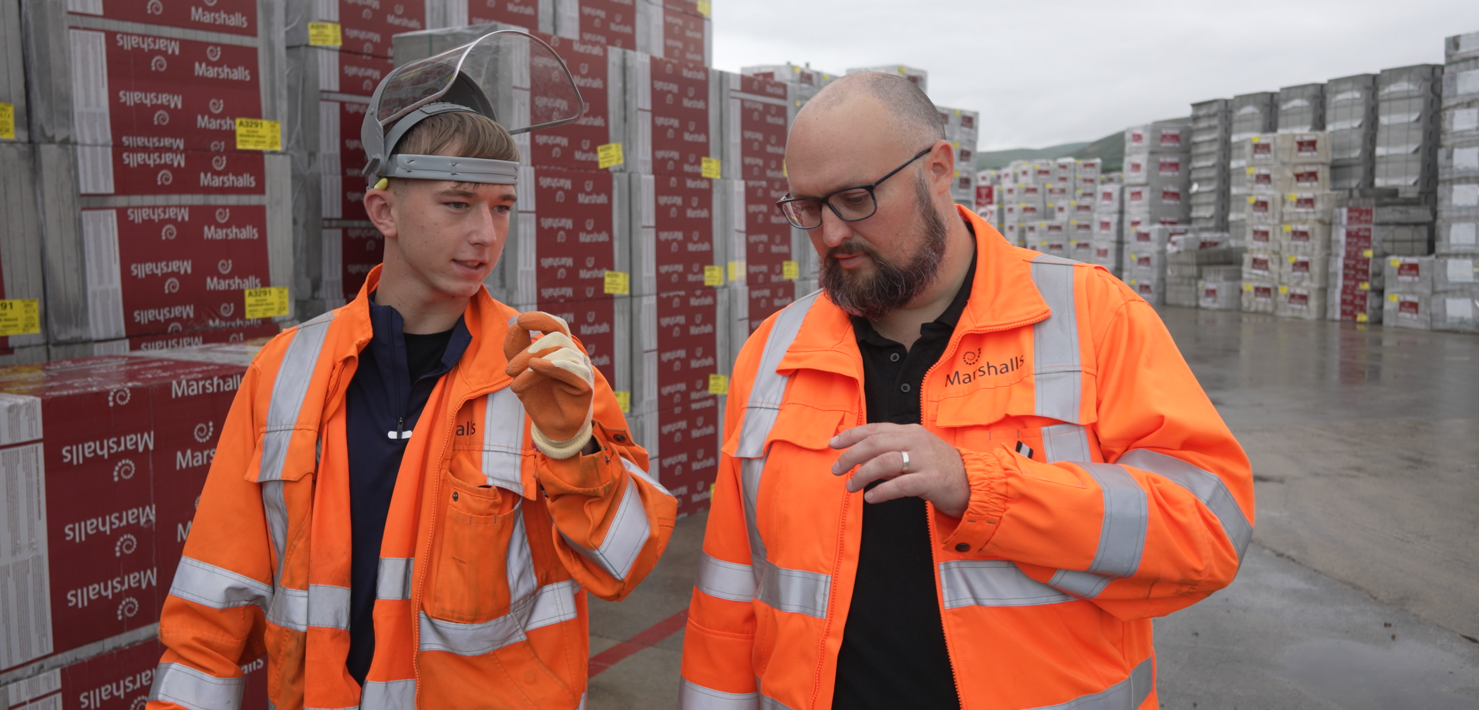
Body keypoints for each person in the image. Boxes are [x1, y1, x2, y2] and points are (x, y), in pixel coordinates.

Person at [678, 72, 1254, 709]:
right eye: (808, 208)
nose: (832, 234)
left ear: (939, 169)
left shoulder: (1094, 317)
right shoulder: (772, 353)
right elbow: (729, 603)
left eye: (855, 198)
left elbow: (1208, 532)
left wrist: (985, 489)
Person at [148, 31, 675, 710]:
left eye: (501, 208)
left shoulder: (543, 372)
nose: (486, 234)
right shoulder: (285, 374)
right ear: (384, 210)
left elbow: (625, 566)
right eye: (458, 204)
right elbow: (211, 609)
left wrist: (574, 451)